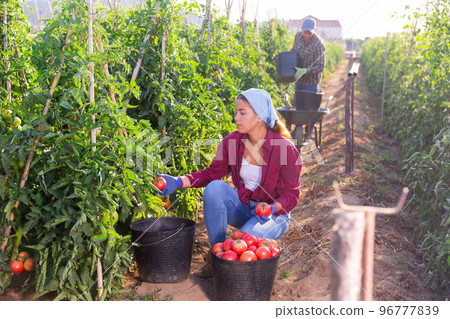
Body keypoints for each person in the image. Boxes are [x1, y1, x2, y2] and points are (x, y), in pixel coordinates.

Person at [157, 88, 302, 277]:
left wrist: (272, 208)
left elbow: (291, 195)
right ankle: (214, 254)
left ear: (259, 116)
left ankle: (233, 263)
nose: (236, 118)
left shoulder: (285, 149)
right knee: (215, 188)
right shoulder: (232, 142)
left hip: (274, 216)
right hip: (244, 206)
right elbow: (212, 174)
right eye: (237, 112)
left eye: (242, 113)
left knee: (242, 243)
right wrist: (178, 181)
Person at [291, 17, 326, 92]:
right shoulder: (298, 36)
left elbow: (321, 66)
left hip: (311, 84)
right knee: (297, 103)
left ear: (315, 30)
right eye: (305, 32)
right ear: (301, 28)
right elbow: (293, 51)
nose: (307, 35)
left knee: (309, 104)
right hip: (298, 81)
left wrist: (306, 71)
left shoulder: (319, 44)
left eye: (309, 33)